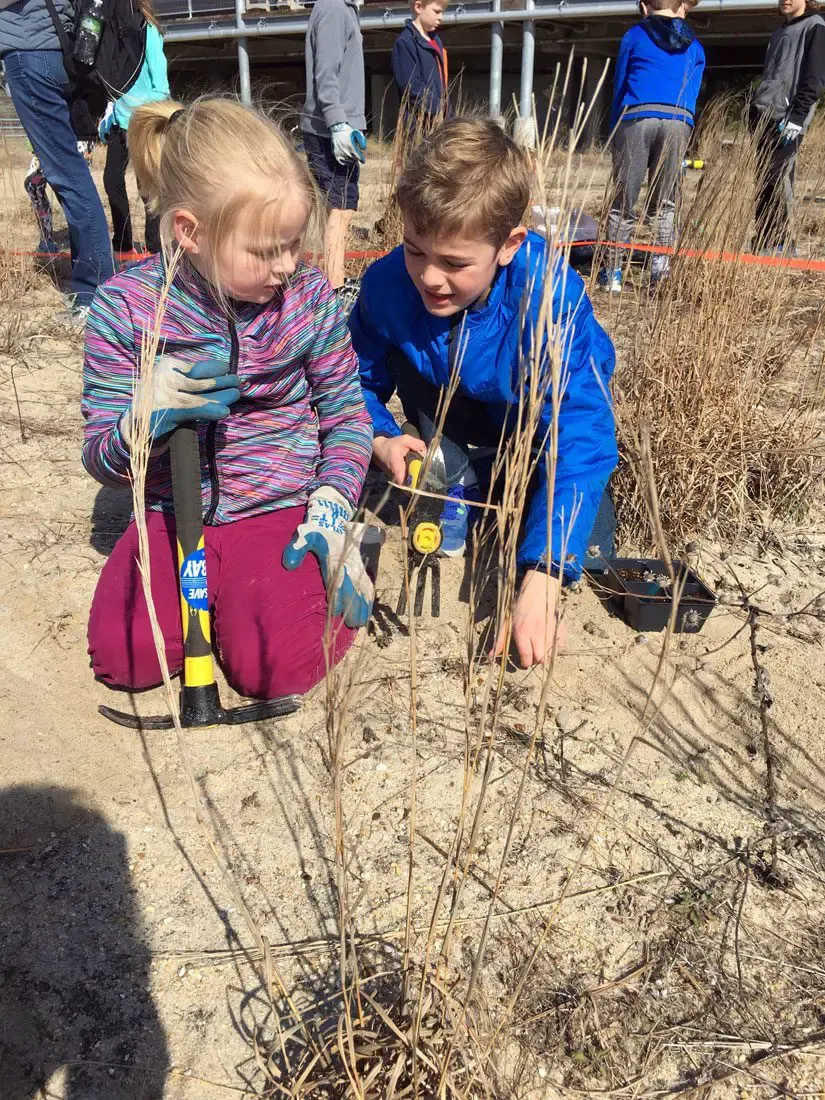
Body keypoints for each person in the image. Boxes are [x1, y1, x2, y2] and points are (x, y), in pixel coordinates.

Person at [82, 98, 374, 700]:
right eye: (265, 251)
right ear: (190, 232)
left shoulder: (309, 299)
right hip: (173, 513)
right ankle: (225, 598)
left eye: (293, 243)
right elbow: (102, 461)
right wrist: (142, 421)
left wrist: (333, 505)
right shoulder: (125, 310)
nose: (287, 266)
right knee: (125, 657)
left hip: (280, 508)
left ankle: (291, 588)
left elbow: (348, 415)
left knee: (272, 668)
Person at [350, 119, 618, 668]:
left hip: (530, 430)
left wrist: (543, 575)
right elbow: (351, 381)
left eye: (454, 263)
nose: (429, 278)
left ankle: (506, 490)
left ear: (508, 244)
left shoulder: (549, 297)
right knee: (443, 492)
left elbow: (583, 429)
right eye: (415, 250)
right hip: (444, 414)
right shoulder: (384, 287)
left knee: (589, 548)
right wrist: (379, 435)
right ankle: (458, 472)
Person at [0, 0, 114, 317]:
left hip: (29, 54)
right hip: (51, 53)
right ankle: (92, 286)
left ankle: (95, 293)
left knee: (67, 174)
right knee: (68, 172)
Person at [601, 0, 705, 292]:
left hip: (636, 115)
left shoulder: (634, 36)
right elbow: (694, 91)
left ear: (645, 6)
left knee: (624, 199)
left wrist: (614, 128)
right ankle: (660, 269)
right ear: (681, 6)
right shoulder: (695, 46)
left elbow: (620, 81)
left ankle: (614, 273)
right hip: (677, 119)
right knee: (666, 202)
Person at [750, 0, 825, 254]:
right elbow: (770, 74)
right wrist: (753, 109)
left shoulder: (815, 26)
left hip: (788, 119)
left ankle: (783, 242)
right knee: (761, 180)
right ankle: (764, 238)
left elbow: (814, 79)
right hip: (764, 116)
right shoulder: (779, 31)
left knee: (779, 179)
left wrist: (798, 116)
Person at [301, 0, 366, 293]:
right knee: (339, 208)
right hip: (331, 130)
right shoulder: (333, 9)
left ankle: (333, 283)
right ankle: (334, 289)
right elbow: (325, 72)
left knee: (341, 207)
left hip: (339, 126)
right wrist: (337, 122)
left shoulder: (343, 9)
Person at [98, 0, 169, 256]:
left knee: (146, 186)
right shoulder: (112, 35)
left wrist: (150, 117)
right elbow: (113, 85)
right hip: (119, 122)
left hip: (143, 122)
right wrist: (109, 115)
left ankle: (155, 246)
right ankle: (123, 242)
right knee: (111, 180)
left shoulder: (147, 29)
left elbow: (160, 82)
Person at [391, 0, 449, 131]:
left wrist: (448, 115)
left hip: (439, 123)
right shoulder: (405, 43)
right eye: (436, 11)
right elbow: (411, 88)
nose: (441, 17)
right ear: (418, 7)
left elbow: (441, 84)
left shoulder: (435, 40)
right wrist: (438, 109)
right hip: (417, 125)